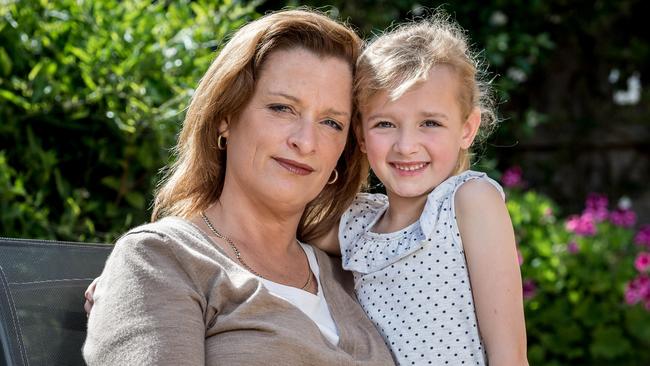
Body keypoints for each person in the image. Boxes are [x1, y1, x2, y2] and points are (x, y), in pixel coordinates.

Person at [82, 9, 395, 365]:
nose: (306, 142)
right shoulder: (163, 259)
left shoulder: (356, 273)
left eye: (330, 122)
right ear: (225, 117)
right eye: (282, 108)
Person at [316, 14, 529, 365]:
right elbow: (277, 222)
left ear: (466, 128)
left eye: (430, 123)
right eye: (385, 123)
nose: (406, 145)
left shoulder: (469, 201)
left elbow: (510, 355)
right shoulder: (355, 223)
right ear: (360, 134)